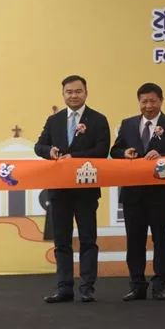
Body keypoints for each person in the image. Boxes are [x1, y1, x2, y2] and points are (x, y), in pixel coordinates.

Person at [33, 75, 110, 303]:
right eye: (69, 92)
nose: (73, 95)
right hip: (59, 190)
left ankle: (87, 288)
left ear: (86, 93)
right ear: (63, 94)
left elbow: (102, 150)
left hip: (86, 189)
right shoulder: (54, 120)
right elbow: (39, 146)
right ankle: (64, 288)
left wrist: (73, 157)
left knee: (88, 240)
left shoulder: (98, 119)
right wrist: (49, 151)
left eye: (78, 91)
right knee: (62, 242)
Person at [110, 83, 165, 301]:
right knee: (134, 240)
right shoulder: (127, 124)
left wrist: (162, 155)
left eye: (153, 101)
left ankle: (160, 284)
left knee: (160, 239)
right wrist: (124, 152)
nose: (148, 106)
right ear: (139, 102)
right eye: (144, 101)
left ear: (161, 101)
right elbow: (115, 150)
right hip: (133, 194)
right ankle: (137, 284)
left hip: (160, 193)